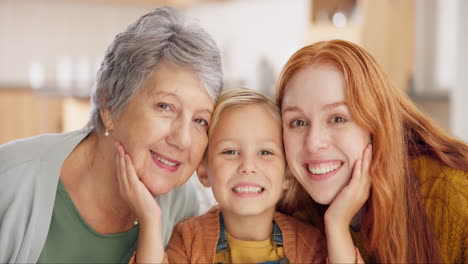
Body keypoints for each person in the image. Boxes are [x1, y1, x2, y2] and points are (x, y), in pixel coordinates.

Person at [0, 6, 223, 263]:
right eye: (165, 107)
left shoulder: (184, 206)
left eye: (200, 120)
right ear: (109, 104)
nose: (183, 140)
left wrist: (151, 221)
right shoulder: (11, 180)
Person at [276, 39, 468, 263]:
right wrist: (337, 226)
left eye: (337, 118)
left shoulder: (452, 194)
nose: (313, 143)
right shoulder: (294, 220)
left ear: (376, 125)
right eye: (297, 123)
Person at [123, 88, 367, 263]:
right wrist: (150, 218)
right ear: (204, 171)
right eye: (230, 152)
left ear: (287, 175)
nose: (248, 166)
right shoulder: (189, 239)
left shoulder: (308, 243)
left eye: (265, 152)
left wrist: (337, 223)